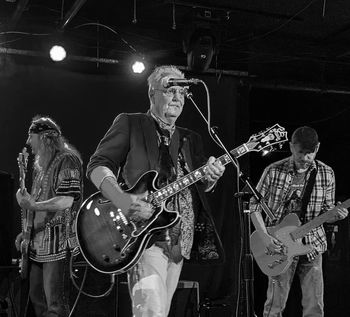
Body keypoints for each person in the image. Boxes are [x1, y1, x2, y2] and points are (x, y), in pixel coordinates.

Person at [86, 65, 226, 317]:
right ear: (152, 94)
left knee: (160, 312)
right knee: (151, 312)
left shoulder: (190, 138)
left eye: (182, 94)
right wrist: (121, 198)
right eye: (170, 90)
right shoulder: (131, 123)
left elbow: (198, 184)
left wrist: (212, 177)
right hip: (144, 236)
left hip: (180, 243)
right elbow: (97, 167)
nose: (177, 97)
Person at [250, 126, 348, 317]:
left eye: (309, 153)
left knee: (315, 307)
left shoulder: (327, 173)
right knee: (274, 307)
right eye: (300, 152)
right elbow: (254, 206)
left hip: (312, 245)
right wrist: (266, 238)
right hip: (279, 246)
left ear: (317, 148)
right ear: (291, 147)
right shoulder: (273, 171)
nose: (304, 158)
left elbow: (327, 211)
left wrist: (338, 215)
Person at [15, 116, 83, 317]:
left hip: (58, 245)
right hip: (38, 244)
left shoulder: (67, 159)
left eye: (31, 136)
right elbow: (38, 206)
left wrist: (32, 204)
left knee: (55, 304)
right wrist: (25, 233)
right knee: (38, 301)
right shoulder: (42, 167)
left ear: (45, 138)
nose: (28, 142)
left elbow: (66, 200)